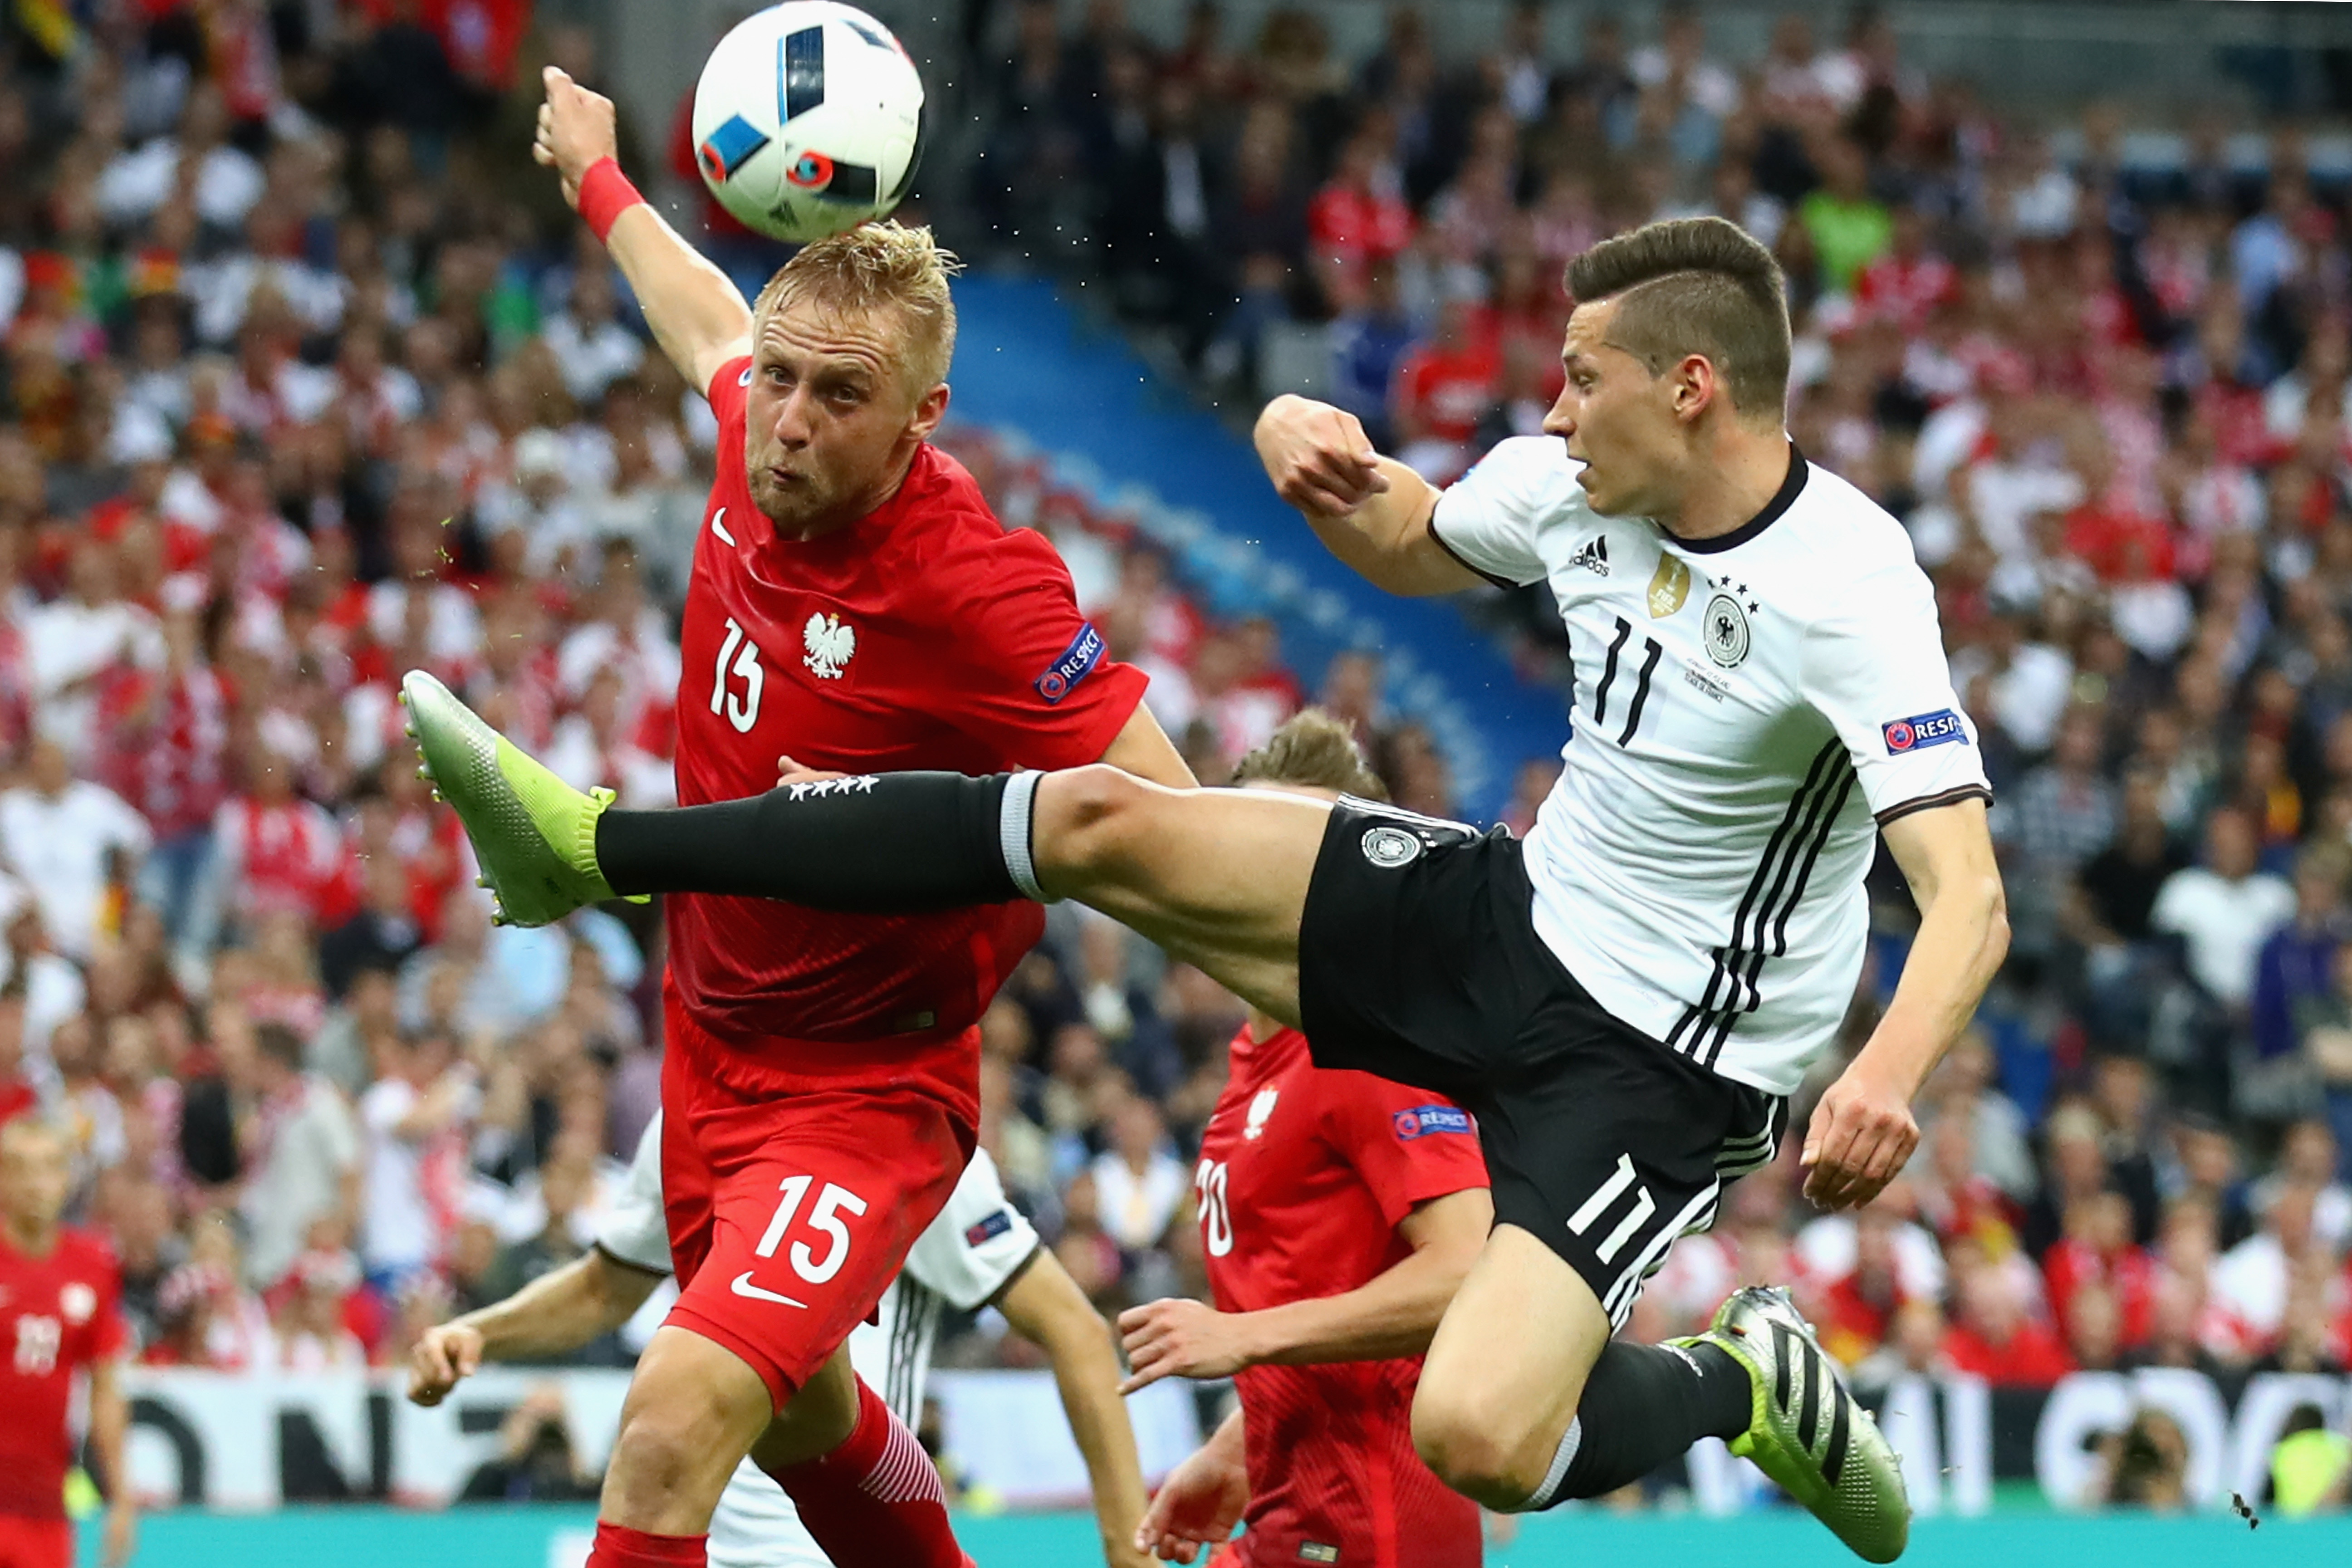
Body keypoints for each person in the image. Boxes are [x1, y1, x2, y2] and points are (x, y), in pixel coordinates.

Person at [406, 216, 2010, 1563]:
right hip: (1507, 911)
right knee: (1105, 820)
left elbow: (1967, 893)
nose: (1554, 407)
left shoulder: (1847, 589)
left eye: (1582, 378)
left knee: (1481, 1434)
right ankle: (600, 847)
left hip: (1659, 1055)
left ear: (1694, 385)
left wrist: (1881, 1072)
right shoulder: (1576, 480)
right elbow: (1416, 537)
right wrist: (1319, 460)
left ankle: (1742, 1383)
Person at [478, 67, 1193, 1568]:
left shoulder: (977, 589)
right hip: (707, 1052)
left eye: (837, 394)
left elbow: (1175, 821)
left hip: (862, 1089)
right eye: (785, 377)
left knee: (672, 1412)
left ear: (923, 416)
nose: (784, 417)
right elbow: (701, 322)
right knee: (804, 1419)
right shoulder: (759, 429)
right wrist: (603, 180)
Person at [410, 1113, 1153, 1567]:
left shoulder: (910, 1136)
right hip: (696, 1546)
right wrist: (480, 1329)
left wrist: (1127, 1551)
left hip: (840, 1549)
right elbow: (605, 1287)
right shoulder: (683, 1121)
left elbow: (1076, 1331)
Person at [1117, 712, 1493, 1567]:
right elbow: (1320, 1287)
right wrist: (1229, 1451)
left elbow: (1469, 1270)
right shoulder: (1256, 1059)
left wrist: (1242, 1339)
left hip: (1376, 1530)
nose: (1267, 871)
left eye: (1301, 851)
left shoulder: (1369, 1049)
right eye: (1252, 841)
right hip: (1290, 1519)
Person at [0, 1118, 136, 1568]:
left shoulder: (91, 1266)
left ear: (67, 1178)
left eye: (50, 1168)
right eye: (20, 1169)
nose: (37, 1183)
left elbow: (105, 1388)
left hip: (44, 1508)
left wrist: (121, 1495)